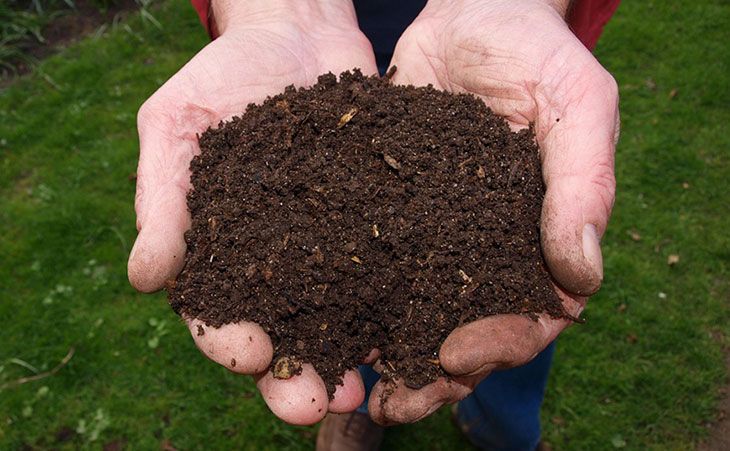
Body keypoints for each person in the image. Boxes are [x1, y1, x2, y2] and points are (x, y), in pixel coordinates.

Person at [128, 0, 620, 449]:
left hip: (473, 40)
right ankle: (360, 404)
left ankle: (503, 428)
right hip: (321, 29)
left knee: (511, 320)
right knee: (354, 329)